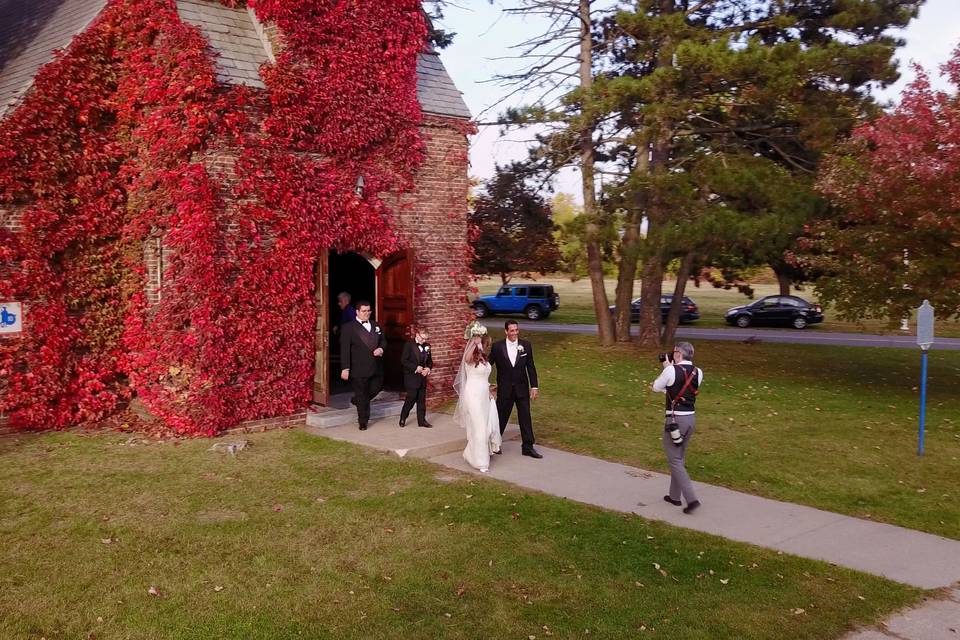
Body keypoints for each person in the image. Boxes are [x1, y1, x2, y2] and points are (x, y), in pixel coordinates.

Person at [651, 341, 704, 514]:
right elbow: (680, 390)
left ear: (678, 354)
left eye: (674, 352)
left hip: (675, 422)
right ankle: (674, 496)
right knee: (679, 457)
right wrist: (668, 367)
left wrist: (667, 368)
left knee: (674, 460)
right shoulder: (698, 372)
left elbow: (656, 387)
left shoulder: (670, 370)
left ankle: (691, 500)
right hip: (691, 419)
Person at [489, 319, 541, 459]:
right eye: (512, 330)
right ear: (506, 331)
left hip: (522, 388)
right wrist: (484, 383)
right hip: (505, 389)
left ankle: (528, 447)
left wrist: (534, 386)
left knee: (525, 417)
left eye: (516, 330)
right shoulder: (497, 347)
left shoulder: (526, 346)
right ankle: (495, 444)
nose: (514, 333)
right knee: (500, 417)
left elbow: (530, 367)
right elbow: (488, 365)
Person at [453, 322, 502, 473]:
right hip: (473, 394)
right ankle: (481, 462)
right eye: (486, 343)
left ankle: (470, 453)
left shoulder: (485, 358)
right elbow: (467, 359)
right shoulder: (470, 356)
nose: (487, 346)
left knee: (484, 426)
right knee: (480, 426)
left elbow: (484, 376)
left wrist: (490, 390)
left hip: (483, 395)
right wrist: (474, 343)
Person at [340, 300, 385, 430]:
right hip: (358, 368)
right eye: (364, 311)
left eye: (368, 311)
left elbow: (383, 341)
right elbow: (345, 349)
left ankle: (357, 400)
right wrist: (345, 368)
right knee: (361, 393)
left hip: (376, 367)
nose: (367, 313)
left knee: (375, 388)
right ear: (357, 312)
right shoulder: (348, 328)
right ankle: (363, 421)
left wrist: (381, 349)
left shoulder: (376, 325)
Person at [399, 326, 433, 428]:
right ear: (417, 335)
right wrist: (415, 367)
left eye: (426, 339)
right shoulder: (409, 345)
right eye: (422, 338)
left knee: (421, 399)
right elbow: (404, 360)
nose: (424, 341)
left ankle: (422, 421)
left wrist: (428, 368)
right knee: (411, 397)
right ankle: (403, 417)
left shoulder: (427, 346)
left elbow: (430, 361)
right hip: (411, 376)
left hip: (422, 377)